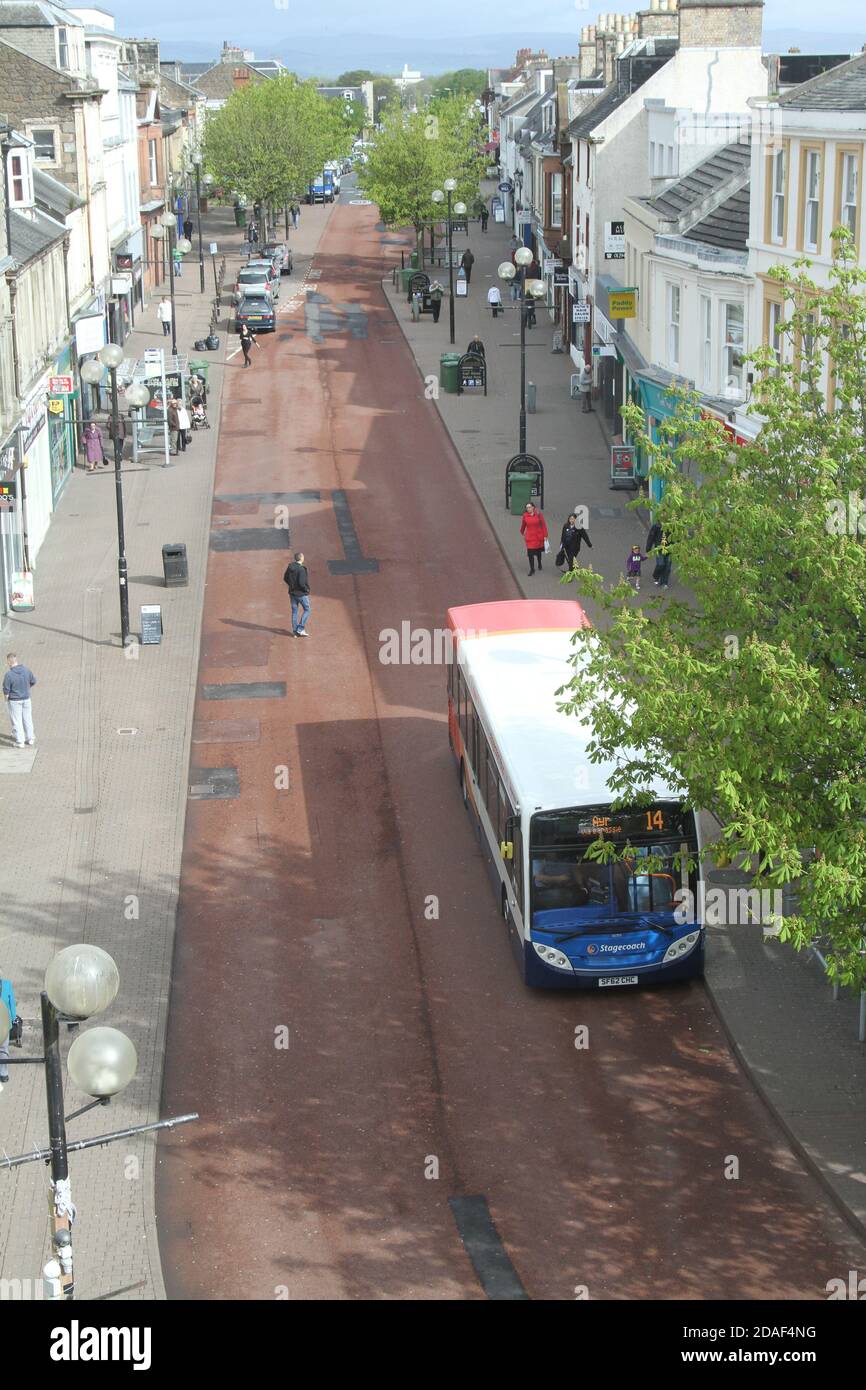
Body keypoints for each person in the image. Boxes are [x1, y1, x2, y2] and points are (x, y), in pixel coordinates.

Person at [3, 652, 36, 748]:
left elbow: (6, 689)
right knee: (28, 718)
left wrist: (6, 699)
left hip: (14, 701)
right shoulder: (26, 670)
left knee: (17, 720)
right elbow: (33, 681)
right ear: (16, 660)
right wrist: (26, 689)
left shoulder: (9, 675)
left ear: (9, 662)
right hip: (26, 698)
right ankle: (30, 739)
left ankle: (20, 741)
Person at [284, 551, 311, 636]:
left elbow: (285, 578)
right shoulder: (301, 569)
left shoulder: (290, 567)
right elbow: (302, 583)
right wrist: (306, 590)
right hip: (301, 594)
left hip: (292, 593)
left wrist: (291, 585)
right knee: (307, 610)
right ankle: (300, 628)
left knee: (294, 612)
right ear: (301, 558)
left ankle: (295, 631)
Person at [520, 500, 548, 577]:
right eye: (527, 508)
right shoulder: (525, 515)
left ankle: (539, 563)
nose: (528, 509)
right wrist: (522, 531)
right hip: (529, 537)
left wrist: (545, 535)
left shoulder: (539, 514)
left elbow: (543, 525)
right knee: (530, 554)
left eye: (529, 507)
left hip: (538, 536)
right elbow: (523, 524)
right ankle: (532, 569)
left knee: (538, 552)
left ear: (533, 507)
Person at [0, 975, 17, 1086]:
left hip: (4, 1023)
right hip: (4, 1023)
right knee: (3, 1049)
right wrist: (13, 1018)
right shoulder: (6, 984)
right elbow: (12, 1004)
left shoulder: (7, 984)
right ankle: (4, 1074)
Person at [647, 521, 672, 587]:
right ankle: (656, 576)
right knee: (660, 564)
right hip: (659, 549)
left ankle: (664, 582)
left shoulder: (672, 525)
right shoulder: (656, 526)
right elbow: (651, 537)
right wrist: (648, 549)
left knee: (667, 567)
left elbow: (676, 537)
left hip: (670, 549)